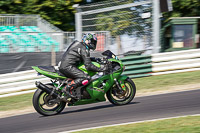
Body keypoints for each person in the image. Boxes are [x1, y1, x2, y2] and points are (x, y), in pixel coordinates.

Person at [58, 33, 108, 99]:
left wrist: (95, 59)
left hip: (65, 65)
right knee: (85, 77)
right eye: (92, 42)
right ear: (88, 41)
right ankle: (67, 88)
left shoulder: (78, 45)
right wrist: (102, 69)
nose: (93, 44)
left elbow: (81, 57)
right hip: (68, 67)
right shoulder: (84, 49)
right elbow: (88, 66)